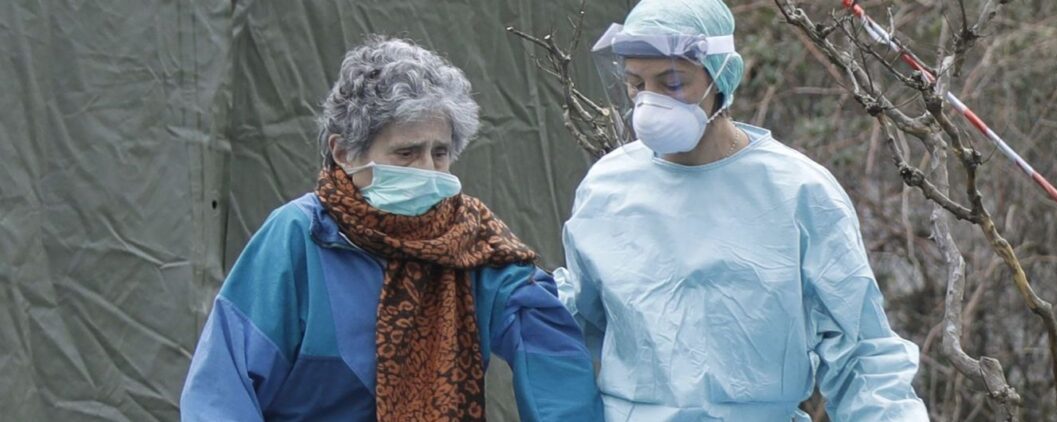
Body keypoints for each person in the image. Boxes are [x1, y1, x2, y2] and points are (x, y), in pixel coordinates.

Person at [180, 36, 602, 421]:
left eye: (440, 152)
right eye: (406, 153)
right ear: (343, 152)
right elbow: (222, 387)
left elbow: (549, 348)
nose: (428, 169)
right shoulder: (301, 235)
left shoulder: (472, 241)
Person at [554, 0, 929, 420]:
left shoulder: (797, 191)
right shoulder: (607, 189)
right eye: (636, 84)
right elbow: (570, 324)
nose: (650, 102)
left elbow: (861, 352)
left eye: (672, 82)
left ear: (722, 75)